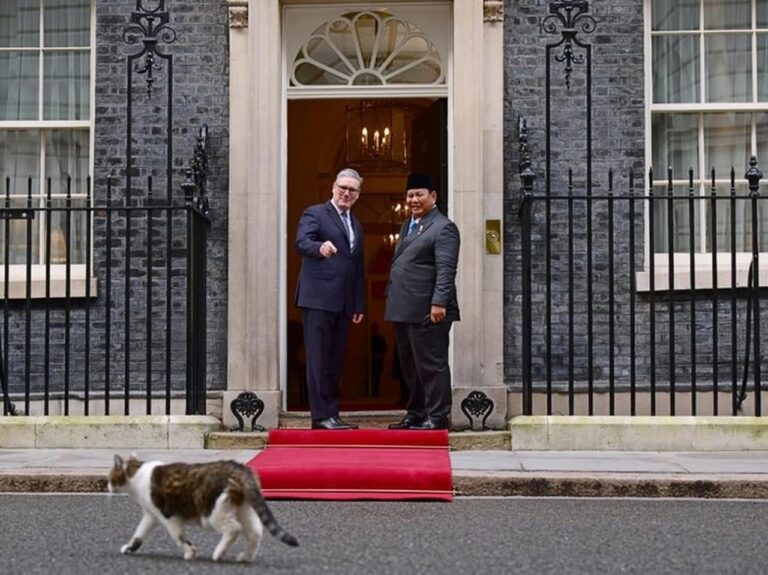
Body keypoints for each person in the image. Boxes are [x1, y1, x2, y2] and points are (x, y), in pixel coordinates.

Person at [384, 173, 460, 430]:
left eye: (419, 194)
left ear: (433, 196)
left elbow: (446, 268)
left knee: (431, 364)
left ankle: (437, 416)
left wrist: (439, 303)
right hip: (404, 307)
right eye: (410, 195)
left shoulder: (443, 227)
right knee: (410, 366)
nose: (413, 200)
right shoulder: (408, 224)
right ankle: (416, 412)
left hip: (429, 309)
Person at [295, 168, 365, 430]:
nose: (347, 193)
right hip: (318, 299)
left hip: (344, 303)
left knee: (335, 360)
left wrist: (358, 304)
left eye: (352, 190)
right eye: (343, 188)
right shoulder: (315, 213)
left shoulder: (356, 224)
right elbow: (302, 241)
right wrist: (319, 247)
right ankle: (320, 416)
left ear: (358, 195)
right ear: (333, 188)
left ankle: (332, 414)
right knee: (319, 359)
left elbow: (357, 268)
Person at [370, 323, 387, 397]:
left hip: (378, 359)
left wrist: (380, 355)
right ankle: (372, 391)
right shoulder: (369, 338)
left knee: (377, 376)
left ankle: (375, 391)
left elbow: (384, 347)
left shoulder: (380, 338)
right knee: (372, 376)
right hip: (371, 360)